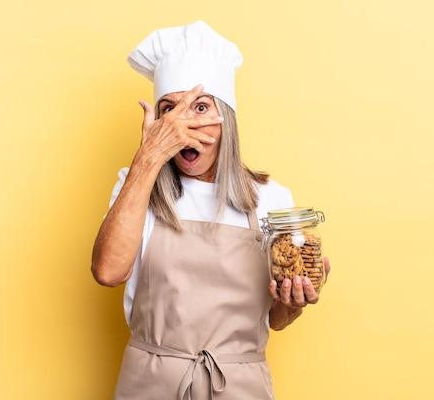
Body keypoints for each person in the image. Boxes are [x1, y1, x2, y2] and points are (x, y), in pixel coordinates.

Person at [92, 20, 330, 400]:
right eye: (169, 110)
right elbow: (107, 272)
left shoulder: (271, 198)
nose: (184, 125)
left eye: (200, 107)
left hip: (239, 387)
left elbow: (276, 319)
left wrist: (294, 303)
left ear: (226, 119)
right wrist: (147, 159)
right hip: (150, 385)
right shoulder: (136, 186)